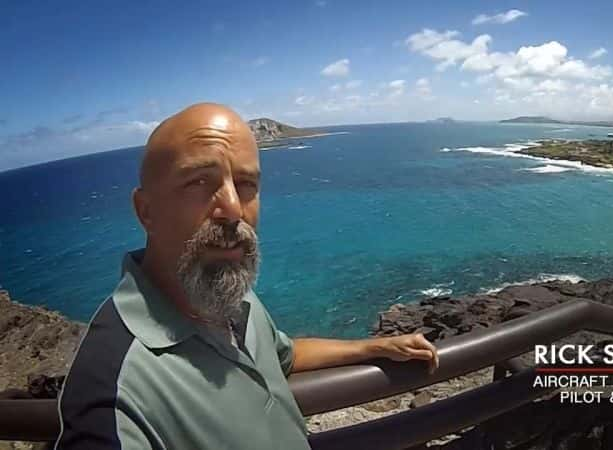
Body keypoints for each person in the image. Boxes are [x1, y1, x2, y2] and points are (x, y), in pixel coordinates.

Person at [55, 103, 439, 450]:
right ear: (146, 211)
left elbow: (281, 355)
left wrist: (372, 348)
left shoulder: (231, 298)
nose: (233, 209)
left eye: (246, 184)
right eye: (199, 182)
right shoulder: (114, 385)